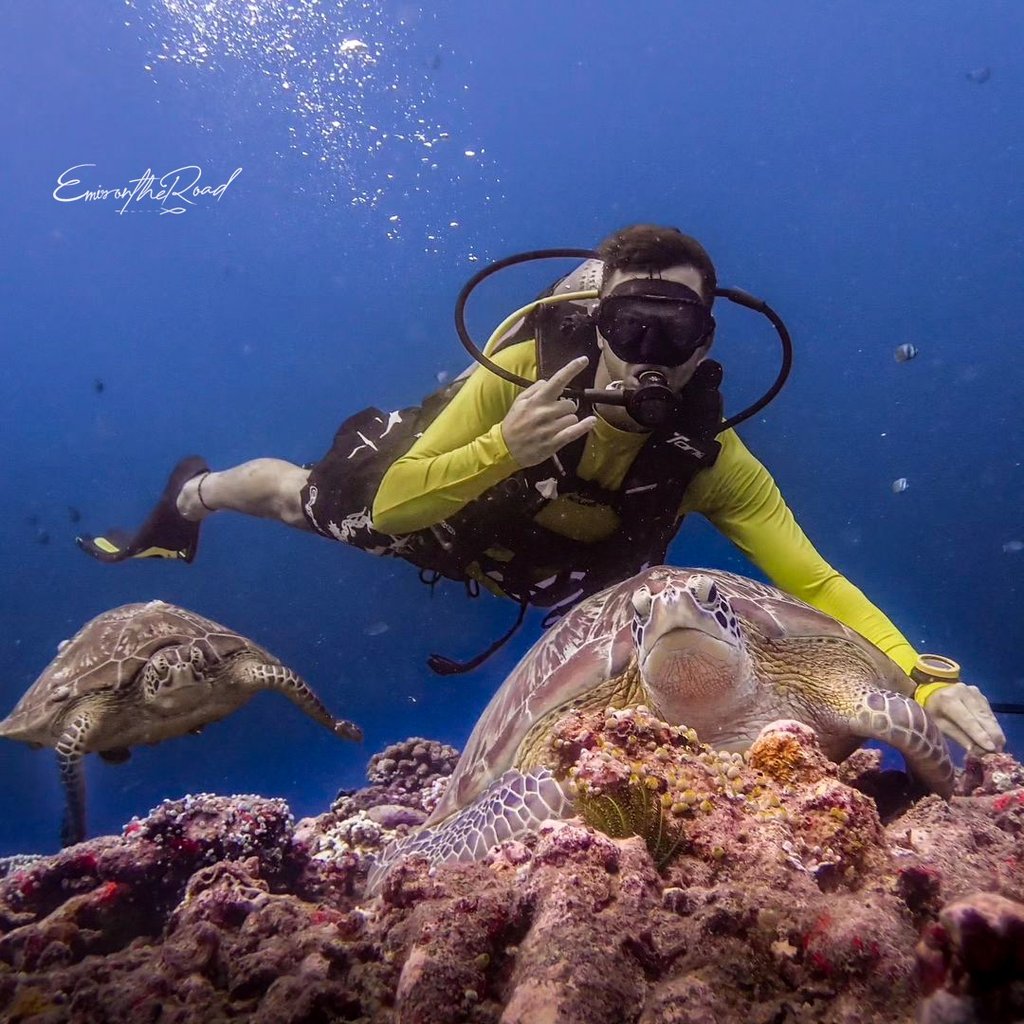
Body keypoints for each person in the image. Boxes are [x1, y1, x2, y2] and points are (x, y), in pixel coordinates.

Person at [78, 224, 1005, 756]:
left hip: (566, 583)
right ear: (594, 324)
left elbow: (818, 583)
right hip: (439, 510)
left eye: (671, 330)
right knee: (311, 500)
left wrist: (921, 680)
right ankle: (191, 497)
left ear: (706, 345)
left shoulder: (711, 458)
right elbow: (398, 505)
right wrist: (501, 447)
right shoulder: (521, 371)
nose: (645, 355)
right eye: (627, 325)